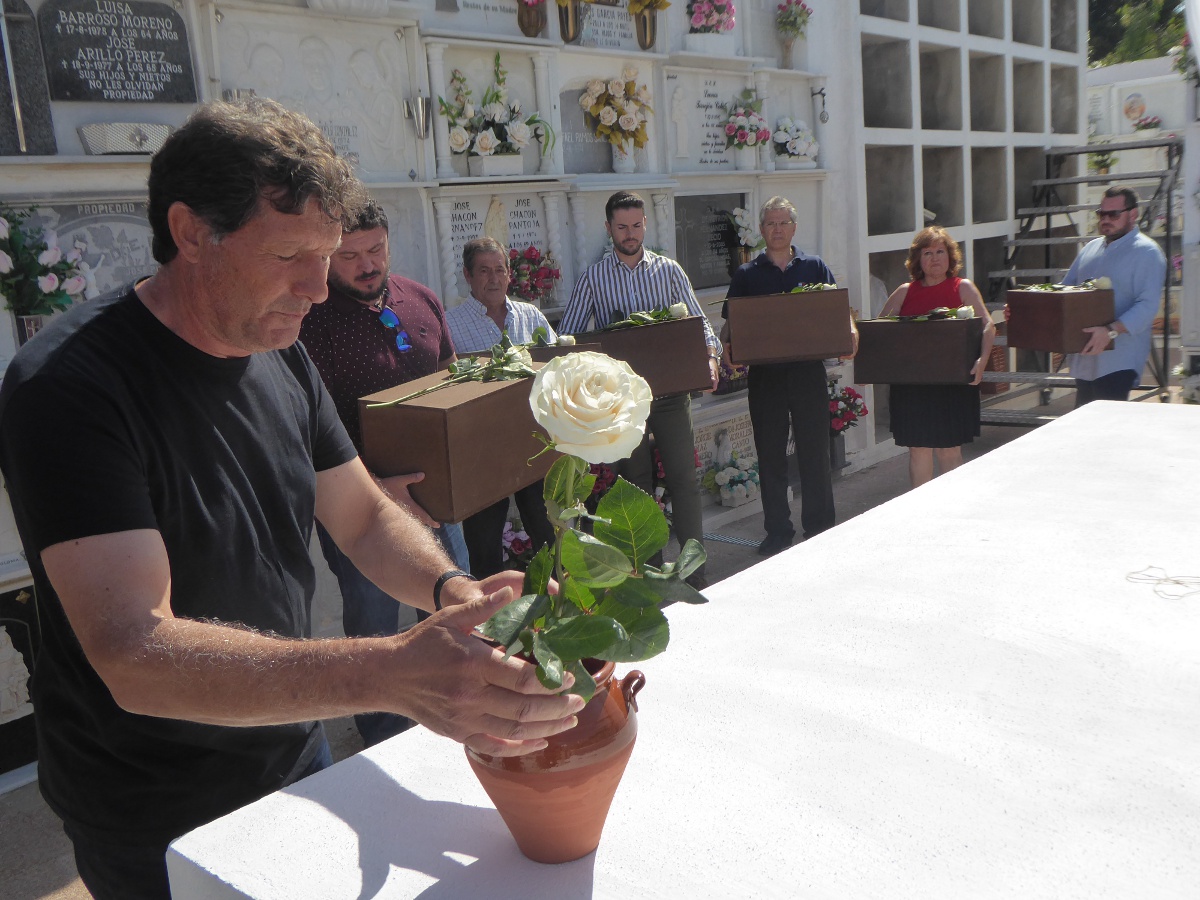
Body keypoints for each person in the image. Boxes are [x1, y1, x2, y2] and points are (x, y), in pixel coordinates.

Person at [0, 98, 583, 900]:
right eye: (291, 257)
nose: (317, 288)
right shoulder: (69, 387)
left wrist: (455, 591)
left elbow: (363, 516)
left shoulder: (278, 351)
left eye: (329, 255)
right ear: (192, 231)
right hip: (152, 799)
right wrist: (388, 673)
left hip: (291, 743)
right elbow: (134, 652)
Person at [298, 197, 471, 747]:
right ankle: (385, 730)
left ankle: (462, 697)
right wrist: (376, 487)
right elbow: (304, 428)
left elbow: (452, 380)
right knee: (374, 614)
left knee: (453, 598)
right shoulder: (307, 322)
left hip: (440, 494)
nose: (367, 264)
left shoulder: (420, 300)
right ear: (326, 256)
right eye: (349, 255)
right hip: (358, 503)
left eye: (376, 249)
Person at [560, 191, 721, 587]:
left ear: (645, 224)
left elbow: (700, 324)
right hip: (623, 402)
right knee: (635, 486)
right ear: (608, 228)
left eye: (636, 225)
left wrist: (712, 358)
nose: (629, 234)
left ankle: (693, 572)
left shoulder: (668, 271)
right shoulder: (594, 279)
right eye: (621, 227)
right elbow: (570, 335)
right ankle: (646, 572)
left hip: (670, 394)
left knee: (683, 479)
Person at [720, 197, 859, 555]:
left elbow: (837, 311)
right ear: (761, 230)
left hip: (807, 373)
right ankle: (778, 531)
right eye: (770, 223)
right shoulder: (747, 275)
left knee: (815, 451)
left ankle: (820, 526)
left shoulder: (814, 267)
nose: (777, 229)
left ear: (794, 228)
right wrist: (727, 347)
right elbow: (730, 325)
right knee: (770, 455)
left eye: (783, 223)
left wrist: (851, 332)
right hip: (765, 378)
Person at [444, 237, 557, 578]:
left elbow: (556, 368)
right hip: (483, 449)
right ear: (467, 275)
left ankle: (557, 608)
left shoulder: (531, 316)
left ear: (509, 274)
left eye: (499, 270)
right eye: (483, 271)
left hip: (533, 442)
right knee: (484, 543)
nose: (493, 279)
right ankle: (489, 623)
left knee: (548, 531)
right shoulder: (450, 325)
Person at [880, 226, 995, 488]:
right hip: (912, 385)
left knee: (948, 450)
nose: (934, 258)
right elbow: (879, 331)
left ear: (950, 256)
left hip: (952, 383)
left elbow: (988, 326)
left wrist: (982, 360)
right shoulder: (904, 291)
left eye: (940, 251)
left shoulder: (962, 287)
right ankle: (921, 513)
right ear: (917, 259)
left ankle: (952, 512)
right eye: (928, 252)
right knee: (918, 449)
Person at [1063, 185, 1166, 405]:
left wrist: (1110, 331)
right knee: (1085, 430)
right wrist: (1027, 307)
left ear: (1133, 214)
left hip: (1118, 361)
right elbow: (1065, 292)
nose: (1106, 219)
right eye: (1102, 213)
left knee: (1107, 430)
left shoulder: (1147, 252)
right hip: (1085, 356)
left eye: (1113, 214)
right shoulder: (1090, 248)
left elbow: (1147, 307)